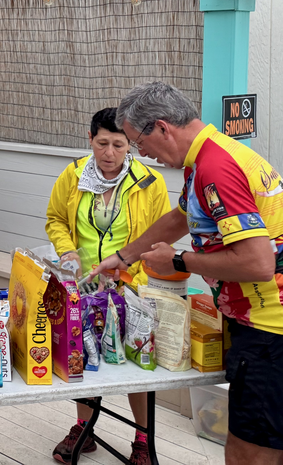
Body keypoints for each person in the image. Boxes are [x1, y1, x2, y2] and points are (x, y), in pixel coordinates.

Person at [92, 82, 283, 465]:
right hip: (262, 324)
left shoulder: (215, 169)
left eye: (138, 142)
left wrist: (179, 262)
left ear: (163, 127)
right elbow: (181, 217)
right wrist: (125, 256)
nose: (142, 154)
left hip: (269, 329)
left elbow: (258, 262)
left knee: (249, 453)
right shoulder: (212, 155)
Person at [44, 107, 172, 465]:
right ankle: (84, 429)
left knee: (136, 365)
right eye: (102, 143)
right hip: (84, 289)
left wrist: (131, 267)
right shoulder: (73, 175)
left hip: (132, 290)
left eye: (119, 145)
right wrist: (66, 249)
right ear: (90, 139)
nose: (110, 153)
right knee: (81, 357)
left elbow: (162, 234)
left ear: (130, 145)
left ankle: (142, 439)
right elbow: (55, 218)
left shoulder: (149, 182)